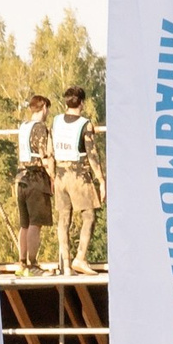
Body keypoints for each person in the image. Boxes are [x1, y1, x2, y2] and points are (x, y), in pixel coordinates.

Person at [52, 86, 104, 275]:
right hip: (78, 174)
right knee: (88, 215)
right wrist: (101, 179)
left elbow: (50, 148)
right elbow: (92, 154)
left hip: (60, 174)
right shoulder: (85, 124)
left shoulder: (56, 121)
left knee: (64, 219)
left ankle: (65, 263)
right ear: (82, 102)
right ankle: (80, 257)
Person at [14, 94, 54, 272]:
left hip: (21, 178)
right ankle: (32, 263)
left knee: (24, 223)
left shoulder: (23, 126)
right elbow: (45, 155)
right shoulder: (40, 128)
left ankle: (22, 262)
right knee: (35, 224)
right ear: (44, 107)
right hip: (35, 179)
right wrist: (53, 177)